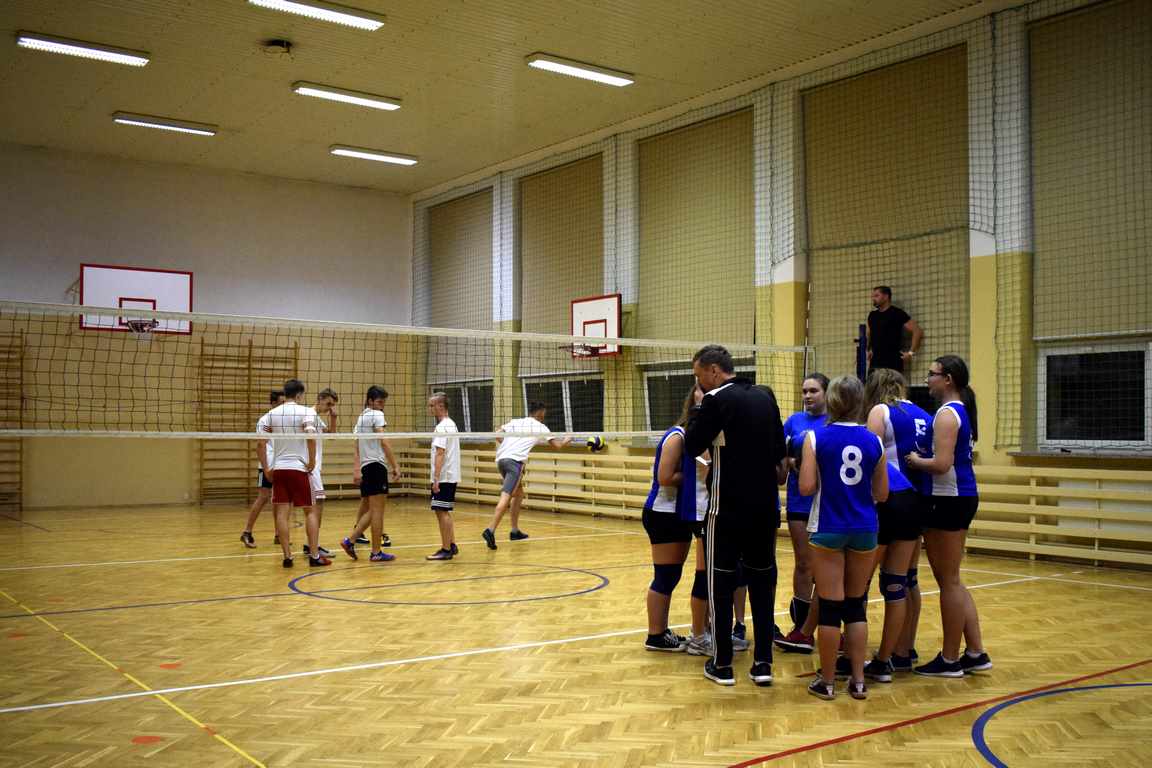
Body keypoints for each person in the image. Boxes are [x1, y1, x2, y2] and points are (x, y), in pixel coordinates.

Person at [683, 345, 786, 687]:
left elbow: (692, 445)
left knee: (720, 582)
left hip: (726, 510)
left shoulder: (715, 400)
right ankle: (763, 663)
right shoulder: (765, 397)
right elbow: (780, 456)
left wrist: (699, 409)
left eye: (699, 375)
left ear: (713, 370)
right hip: (765, 509)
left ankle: (722, 663)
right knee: (763, 583)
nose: (698, 382)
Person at [798, 375, 888, 700]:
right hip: (865, 528)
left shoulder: (815, 437)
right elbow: (882, 493)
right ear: (860, 402)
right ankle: (859, 681)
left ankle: (826, 682)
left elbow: (806, 487)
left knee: (830, 607)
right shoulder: (875, 441)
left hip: (828, 526)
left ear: (832, 400)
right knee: (855, 606)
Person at [904, 355, 992, 677]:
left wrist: (915, 461)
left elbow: (942, 465)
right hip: (958, 498)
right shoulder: (959, 410)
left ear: (948, 379)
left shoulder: (946, 414)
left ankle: (951, 658)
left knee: (949, 582)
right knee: (952, 580)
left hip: (949, 499)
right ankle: (976, 652)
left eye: (932, 374)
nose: (928, 379)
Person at [861, 369, 932, 682]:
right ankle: (899, 652)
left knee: (860, 582)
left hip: (887, 499)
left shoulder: (880, 411)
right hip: (916, 503)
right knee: (902, 582)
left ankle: (852, 654)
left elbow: (870, 455)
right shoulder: (925, 415)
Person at [642, 386, 710, 652]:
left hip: (678, 513)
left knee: (671, 574)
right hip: (663, 513)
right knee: (665, 575)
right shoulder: (677, 437)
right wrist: (697, 477)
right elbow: (665, 477)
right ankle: (655, 635)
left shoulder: (695, 438)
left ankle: (661, 631)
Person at [775, 373, 830, 653]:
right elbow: (781, 463)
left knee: (828, 568)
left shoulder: (835, 421)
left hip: (829, 503)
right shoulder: (794, 421)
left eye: (813, 391)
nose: (807, 396)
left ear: (827, 393)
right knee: (804, 564)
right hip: (799, 502)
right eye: (804, 391)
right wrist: (789, 461)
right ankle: (801, 628)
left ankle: (831, 627)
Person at [257, 379, 329, 568]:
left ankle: (287, 557)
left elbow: (260, 444)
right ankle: (314, 556)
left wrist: (266, 468)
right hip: (298, 469)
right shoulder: (306, 412)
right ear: (299, 395)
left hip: (279, 469)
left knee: (282, 514)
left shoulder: (270, 415)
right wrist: (312, 462)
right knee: (310, 511)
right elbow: (311, 438)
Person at [482, 402, 571, 549]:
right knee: (506, 496)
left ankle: (514, 531)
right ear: (540, 413)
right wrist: (567, 440)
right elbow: (558, 446)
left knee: (519, 494)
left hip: (502, 460)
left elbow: (497, 434)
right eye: (544, 413)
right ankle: (490, 530)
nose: (544, 416)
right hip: (514, 464)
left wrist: (509, 446)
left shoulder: (516, 421)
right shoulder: (541, 427)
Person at [340, 386, 402, 562]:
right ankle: (374, 551)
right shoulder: (376, 415)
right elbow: (384, 441)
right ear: (370, 401)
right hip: (376, 466)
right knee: (377, 511)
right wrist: (395, 465)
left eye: (383, 402)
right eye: (379, 402)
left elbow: (357, 446)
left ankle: (351, 541)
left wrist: (357, 468)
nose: (382, 405)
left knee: (372, 509)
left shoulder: (361, 418)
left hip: (367, 467)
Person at [241, 389, 284, 547]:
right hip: (267, 465)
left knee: (279, 499)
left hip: (281, 464)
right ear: (272, 403)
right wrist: (265, 469)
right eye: (281, 403)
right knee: (263, 497)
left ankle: (279, 534)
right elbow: (260, 446)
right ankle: (247, 532)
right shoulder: (265, 420)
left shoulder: (285, 420)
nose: (283, 406)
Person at [303, 388, 339, 559]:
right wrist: (311, 462)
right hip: (311, 467)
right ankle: (313, 547)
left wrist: (334, 418)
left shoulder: (316, 417)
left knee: (317, 505)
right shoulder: (309, 414)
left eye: (332, 405)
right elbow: (309, 438)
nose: (329, 408)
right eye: (328, 404)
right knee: (316, 505)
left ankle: (310, 544)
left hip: (315, 467)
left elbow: (331, 435)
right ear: (320, 398)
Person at [426, 392, 461, 561]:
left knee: (441, 512)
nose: (430, 409)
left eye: (432, 405)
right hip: (449, 475)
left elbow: (440, 453)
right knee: (444, 511)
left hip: (444, 477)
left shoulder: (443, 427)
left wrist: (436, 479)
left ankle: (446, 549)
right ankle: (451, 544)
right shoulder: (451, 424)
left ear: (441, 406)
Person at [866, 286, 922, 375]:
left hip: (893, 363)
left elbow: (917, 331)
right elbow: (869, 334)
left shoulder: (897, 313)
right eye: (873, 296)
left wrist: (910, 353)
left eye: (876, 296)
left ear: (886, 296)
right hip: (875, 363)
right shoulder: (872, 315)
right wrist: (867, 350)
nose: (873, 298)